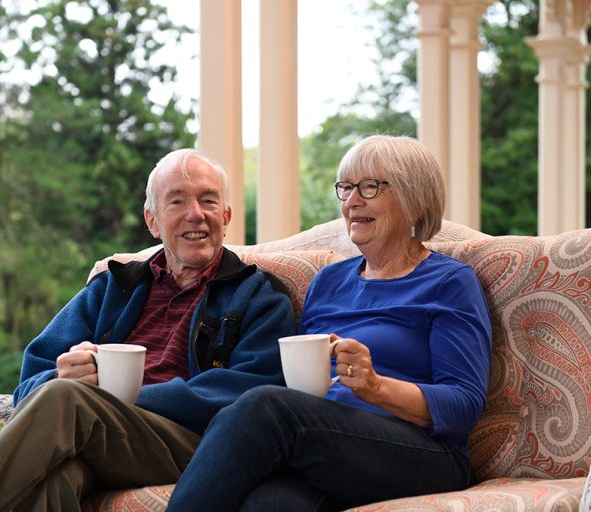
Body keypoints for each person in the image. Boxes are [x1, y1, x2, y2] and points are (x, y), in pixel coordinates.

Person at [0, 148, 296, 512]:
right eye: (177, 201)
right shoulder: (112, 288)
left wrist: (117, 397)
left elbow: (252, 395)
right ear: (152, 221)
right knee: (58, 477)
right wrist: (61, 376)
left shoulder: (259, 294)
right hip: (106, 438)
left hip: (198, 443)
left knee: (68, 399)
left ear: (226, 216)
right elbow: (29, 384)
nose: (196, 214)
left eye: (208, 201)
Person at [166, 135, 493, 512]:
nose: (352, 201)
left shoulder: (449, 281)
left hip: (421, 453)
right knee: (270, 504)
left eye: (370, 187)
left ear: (414, 198)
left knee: (266, 406)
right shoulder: (328, 281)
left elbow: (463, 405)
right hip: (325, 446)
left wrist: (376, 387)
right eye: (346, 187)